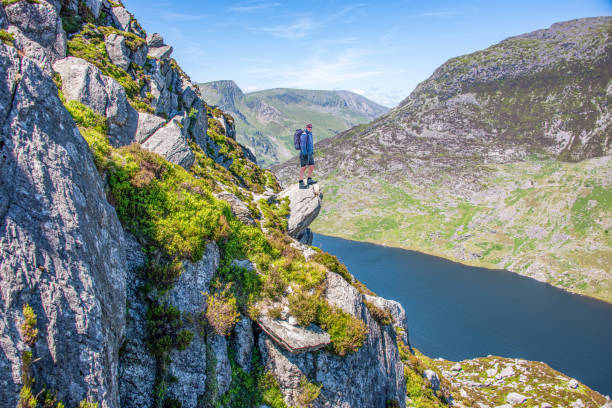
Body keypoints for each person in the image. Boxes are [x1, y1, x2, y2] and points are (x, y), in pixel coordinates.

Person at [298, 123, 316, 188]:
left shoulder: (310, 134)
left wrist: (312, 152)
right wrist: (305, 153)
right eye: (309, 127)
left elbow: (310, 144)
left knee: (312, 166)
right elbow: (302, 145)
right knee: (303, 167)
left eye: (311, 127)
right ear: (306, 127)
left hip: (310, 154)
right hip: (304, 154)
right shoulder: (304, 134)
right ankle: (300, 182)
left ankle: (309, 179)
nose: (310, 128)